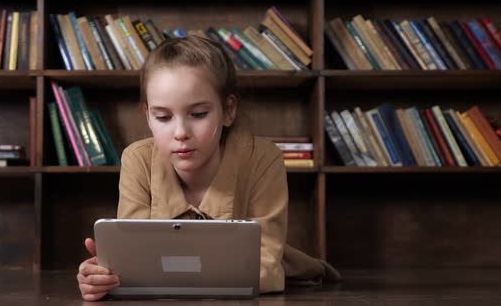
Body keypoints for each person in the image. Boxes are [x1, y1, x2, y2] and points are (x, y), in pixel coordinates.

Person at [77, 36, 340, 301]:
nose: (180, 133)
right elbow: (130, 265)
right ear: (147, 115)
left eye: (199, 114)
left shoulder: (263, 158)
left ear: (228, 110)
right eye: (163, 117)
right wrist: (103, 278)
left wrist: (148, 275)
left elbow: (267, 269)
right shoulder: (136, 159)